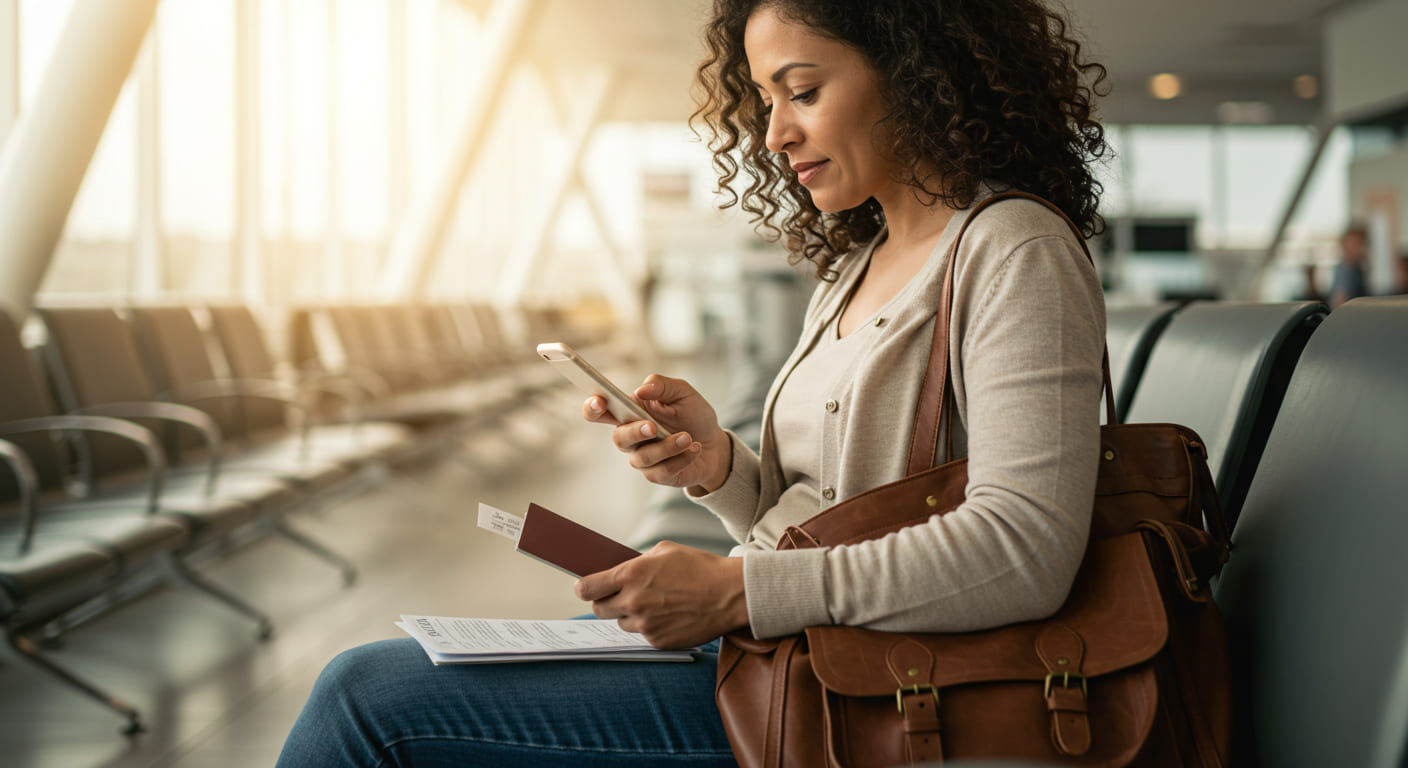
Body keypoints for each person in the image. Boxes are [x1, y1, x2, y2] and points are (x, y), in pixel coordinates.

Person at [276, 0, 1109, 764]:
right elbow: (831, 508)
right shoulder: (857, 267)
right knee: (402, 675)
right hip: (779, 652)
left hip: (847, 689)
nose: (776, 133)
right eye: (765, 101)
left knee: (364, 699)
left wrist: (738, 590)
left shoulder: (1014, 251)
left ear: (917, 70)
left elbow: (1025, 548)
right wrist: (717, 469)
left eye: (804, 91)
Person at [1328, 223, 1370, 309]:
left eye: (1363, 243)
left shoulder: (1356, 269)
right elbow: (1339, 305)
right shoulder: (1346, 271)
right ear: (1345, 245)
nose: (1361, 248)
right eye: (1356, 243)